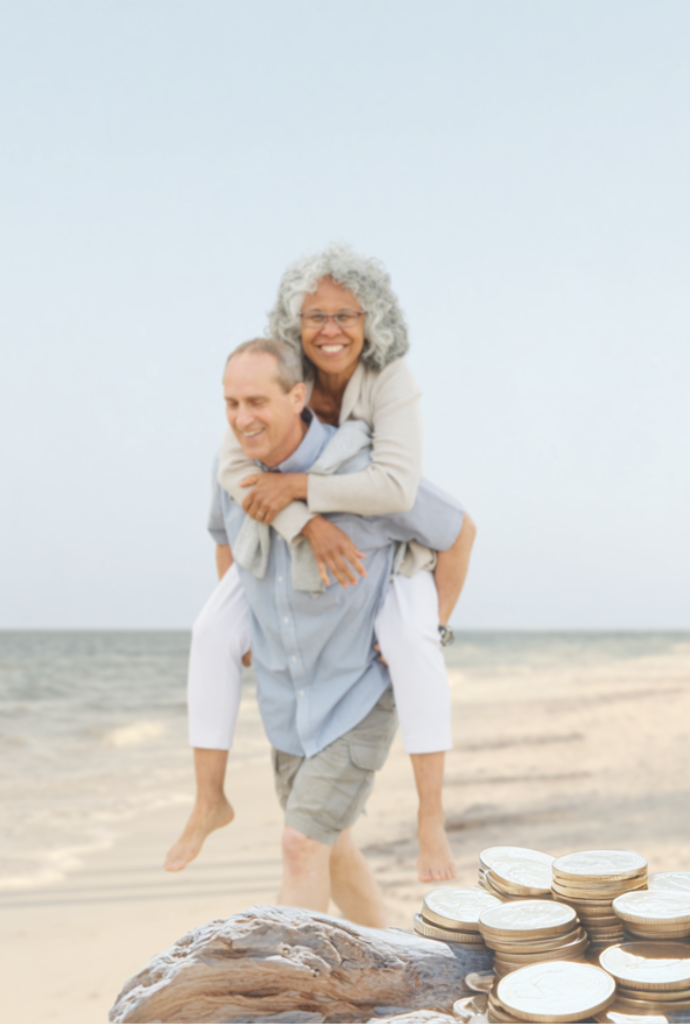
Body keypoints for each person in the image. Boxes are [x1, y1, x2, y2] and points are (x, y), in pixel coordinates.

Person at [167, 245, 476, 884]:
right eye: (314, 316)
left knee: (410, 641)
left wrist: (305, 490)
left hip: (390, 538)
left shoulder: (391, 382)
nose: (329, 330)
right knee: (211, 633)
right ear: (294, 323)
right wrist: (298, 519)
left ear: (371, 320)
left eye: (345, 314)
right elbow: (233, 475)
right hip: (285, 547)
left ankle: (431, 818)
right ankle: (208, 799)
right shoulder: (270, 385)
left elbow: (394, 489)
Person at [208, 338, 464, 922]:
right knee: (331, 846)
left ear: (297, 396)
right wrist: (243, 626)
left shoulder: (360, 470)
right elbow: (224, 537)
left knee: (300, 846)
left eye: (255, 401)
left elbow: (459, 532)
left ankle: (287, 993)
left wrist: (430, 627)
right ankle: (399, 965)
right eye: (230, 403)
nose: (241, 418)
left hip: (359, 691)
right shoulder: (232, 471)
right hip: (287, 697)